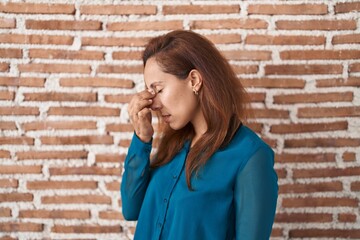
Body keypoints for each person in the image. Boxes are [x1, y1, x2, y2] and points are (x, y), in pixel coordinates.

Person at [121, 30, 278, 240]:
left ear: (194, 80)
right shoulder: (173, 145)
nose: (154, 104)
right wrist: (142, 139)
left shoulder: (250, 157)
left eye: (158, 90)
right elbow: (131, 209)